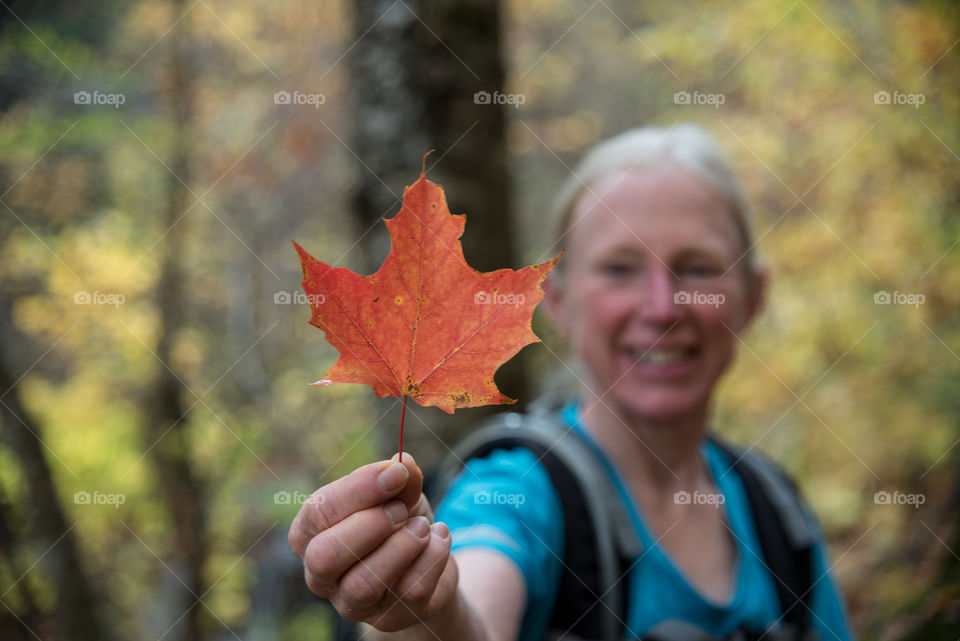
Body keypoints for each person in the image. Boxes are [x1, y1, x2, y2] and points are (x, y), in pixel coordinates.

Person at [287, 125, 857, 641]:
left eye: (698, 269)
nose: (662, 307)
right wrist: (424, 615)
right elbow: (473, 602)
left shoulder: (777, 514)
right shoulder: (518, 488)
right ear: (557, 301)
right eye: (619, 269)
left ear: (753, 297)